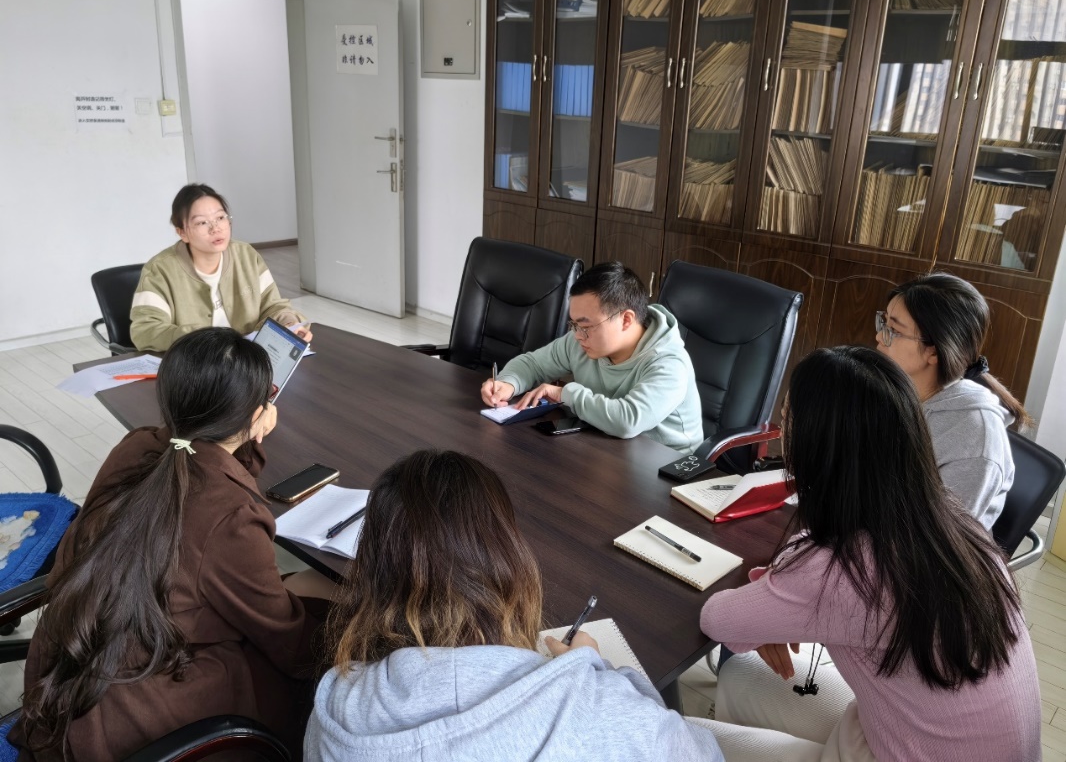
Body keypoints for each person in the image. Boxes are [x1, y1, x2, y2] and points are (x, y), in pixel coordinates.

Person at [701, 346, 1040, 762]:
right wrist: (781, 596)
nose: (781, 430)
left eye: (787, 418)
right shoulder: (952, 520)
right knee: (742, 676)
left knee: (683, 738)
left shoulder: (842, 570)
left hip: (910, 750)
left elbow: (717, 619)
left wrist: (778, 595)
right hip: (934, 737)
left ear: (818, 446)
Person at [13, 328, 331, 761]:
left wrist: (241, 435)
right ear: (257, 414)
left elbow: (202, 470)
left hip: (70, 672)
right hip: (135, 714)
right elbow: (289, 644)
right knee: (320, 646)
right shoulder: (232, 518)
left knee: (294, 589)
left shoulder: (138, 445)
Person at [306, 448, 735, 761]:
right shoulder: (597, 708)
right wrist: (596, 672)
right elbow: (703, 754)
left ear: (375, 571)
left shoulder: (334, 710)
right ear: (508, 557)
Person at [479, 262, 703, 453]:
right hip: (604, 447)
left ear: (626, 320)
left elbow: (627, 421)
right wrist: (508, 383)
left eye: (585, 326)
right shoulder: (581, 341)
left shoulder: (668, 363)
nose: (577, 335)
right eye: (574, 324)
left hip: (667, 467)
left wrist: (564, 393)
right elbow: (533, 364)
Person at [877, 272, 1027, 529]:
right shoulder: (898, 393)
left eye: (894, 330)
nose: (880, 337)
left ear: (934, 351)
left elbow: (935, 539)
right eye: (883, 324)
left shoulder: (975, 439)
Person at [131, 183, 312, 352]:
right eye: (202, 222)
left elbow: (273, 306)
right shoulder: (160, 270)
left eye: (220, 218)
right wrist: (200, 338)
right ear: (182, 232)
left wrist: (289, 325)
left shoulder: (246, 255)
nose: (215, 228)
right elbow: (146, 330)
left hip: (247, 361)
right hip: (196, 364)